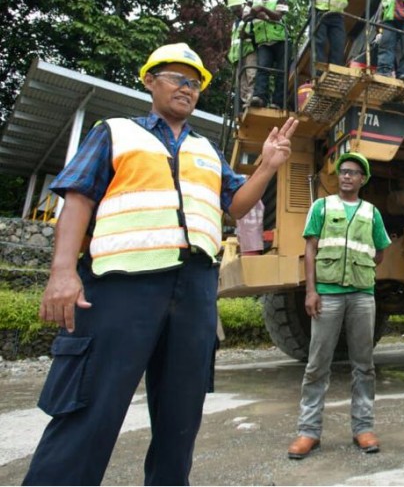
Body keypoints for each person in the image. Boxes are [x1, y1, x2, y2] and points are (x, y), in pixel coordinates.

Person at [23, 43, 298, 486]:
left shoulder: (207, 149)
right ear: (150, 81)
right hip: (121, 287)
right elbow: (77, 200)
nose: (186, 89)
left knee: (180, 416)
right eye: (176, 78)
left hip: (193, 291)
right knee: (89, 407)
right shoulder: (114, 131)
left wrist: (267, 166)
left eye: (194, 83)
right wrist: (62, 271)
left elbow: (236, 205)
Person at [287, 152, 392, 459]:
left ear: (363, 180)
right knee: (317, 365)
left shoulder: (371, 212)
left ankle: (363, 428)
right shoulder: (321, 207)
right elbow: (310, 248)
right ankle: (308, 432)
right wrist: (311, 290)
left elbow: (380, 252)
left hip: (362, 295)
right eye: (343, 171)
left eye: (354, 173)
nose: (347, 176)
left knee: (364, 365)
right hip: (327, 295)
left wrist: (360, 271)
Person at [250, 0, 289, 108]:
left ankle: (277, 102)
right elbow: (245, 16)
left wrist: (262, 10)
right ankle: (260, 98)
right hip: (263, 42)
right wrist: (255, 13)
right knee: (262, 69)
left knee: (281, 72)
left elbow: (278, 15)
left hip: (280, 39)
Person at [226, 0, 258, 108]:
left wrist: (248, 36)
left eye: (237, 8)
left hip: (249, 50)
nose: (235, 12)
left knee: (251, 75)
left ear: (243, 5)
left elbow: (257, 35)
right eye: (233, 10)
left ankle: (251, 100)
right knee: (241, 81)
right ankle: (245, 103)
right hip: (237, 55)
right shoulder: (235, 23)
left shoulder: (251, 18)